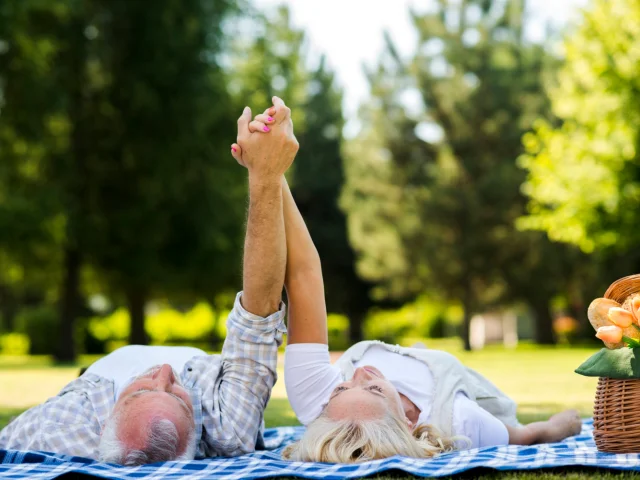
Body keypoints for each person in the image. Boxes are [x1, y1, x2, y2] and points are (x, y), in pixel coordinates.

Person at [230, 101, 583, 464]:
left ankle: (413, 357)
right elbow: (523, 437)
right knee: (524, 428)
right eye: (373, 390)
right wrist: (550, 428)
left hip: (410, 359)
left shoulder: (313, 398)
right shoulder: (462, 422)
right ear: (410, 421)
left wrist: (269, 168)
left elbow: (302, 273)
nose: (358, 373)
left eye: (342, 388)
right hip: (457, 385)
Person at [0, 97, 299, 465]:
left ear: (107, 416)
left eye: (140, 391)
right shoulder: (227, 430)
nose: (165, 373)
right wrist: (265, 174)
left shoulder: (59, 429)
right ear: (196, 434)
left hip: (95, 377)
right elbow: (259, 313)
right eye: (177, 394)